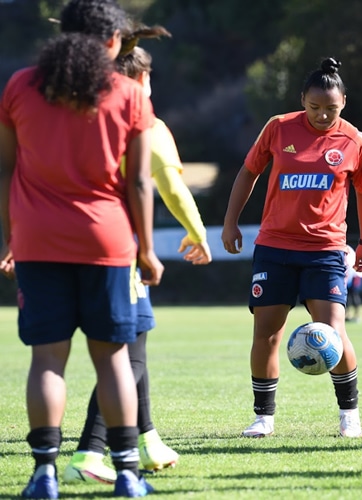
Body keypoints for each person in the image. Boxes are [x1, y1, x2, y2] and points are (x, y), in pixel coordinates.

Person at [0, 0, 163, 497]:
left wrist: (10, 236)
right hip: (106, 241)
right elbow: (138, 182)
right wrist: (148, 250)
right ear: (114, 41)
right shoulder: (128, 94)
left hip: (36, 241)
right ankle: (129, 477)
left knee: (47, 360)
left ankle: (43, 473)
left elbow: (5, 170)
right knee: (113, 358)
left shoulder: (20, 86)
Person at [63, 36, 213, 485]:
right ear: (143, 78)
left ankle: (147, 440)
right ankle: (88, 454)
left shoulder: (82, 115)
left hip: (68, 242)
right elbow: (168, 183)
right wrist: (197, 231)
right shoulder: (145, 120)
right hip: (118, 246)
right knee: (127, 357)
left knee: (135, 343)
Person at [221, 57, 362, 439]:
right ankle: (263, 418)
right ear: (302, 99)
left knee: (333, 333)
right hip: (274, 248)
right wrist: (230, 220)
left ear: (344, 103)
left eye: (331, 109)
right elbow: (248, 172)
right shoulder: (278, 128)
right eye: (314, 107)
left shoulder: (354, 141)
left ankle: (349, 415)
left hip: (325, 250)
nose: (323, 115)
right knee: (267, 334)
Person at [344, 245, 362, 323]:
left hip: (355, 275)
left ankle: (357, 315)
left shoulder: (348, 249)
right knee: (347, 295)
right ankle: (347, 314)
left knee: (354, 295)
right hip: (349, 276)